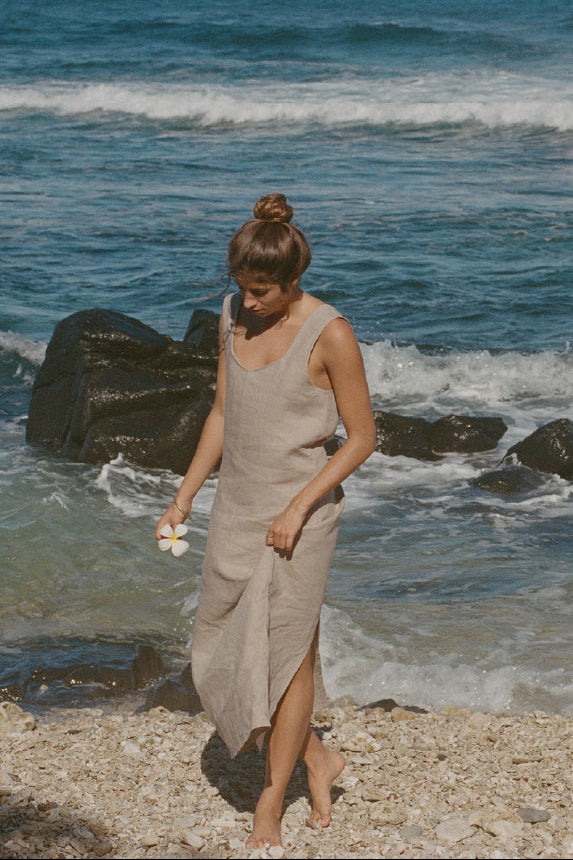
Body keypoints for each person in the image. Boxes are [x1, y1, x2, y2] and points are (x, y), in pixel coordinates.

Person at [155, 193, 376, 849]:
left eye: (261, 292)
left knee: (287, 661)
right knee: (219, 653)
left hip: (299, 516)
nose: (249, 302)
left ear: (292, 282)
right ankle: (316, 757)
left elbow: (361, 438)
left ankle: (270, 801)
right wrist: (185, 495)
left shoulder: (329, 332)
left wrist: (297, 506)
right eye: (242, 289)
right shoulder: (231, 316)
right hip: (237, 507)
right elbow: (223, 414)